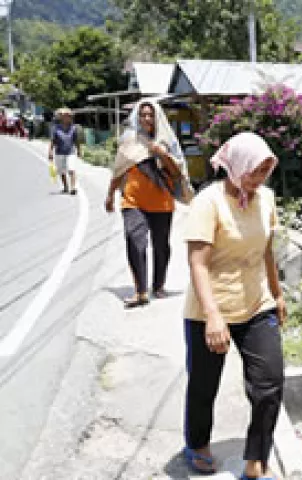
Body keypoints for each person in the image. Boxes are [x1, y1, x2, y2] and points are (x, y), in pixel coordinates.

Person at [182, 132, 286, 480]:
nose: (259, 180)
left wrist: (278, 294)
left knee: (269, 383)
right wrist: (213, 316)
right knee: (203, 385)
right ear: (236, 165)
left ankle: (256, 462)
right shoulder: (208, 202)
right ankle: (197, 444)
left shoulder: (266, 199)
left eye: (265, 172)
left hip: (257, 305)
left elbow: (267, 252)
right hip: (210, 310)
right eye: (255, 171)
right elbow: (197, 263)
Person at [105, 100, 184, 308]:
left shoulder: (166, 141)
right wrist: (110, 194)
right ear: (137, 118)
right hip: (133, 200)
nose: (146, 118)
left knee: (161, 247)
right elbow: (119, 169)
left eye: (150, 115)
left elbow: (177, 173)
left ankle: (158, 285)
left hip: (162, 203)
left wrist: (162, 154)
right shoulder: (129, 141)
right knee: (134, 240)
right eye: (142, 115)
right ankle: (140, 291)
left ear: (157, 117)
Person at [48, 108, 81, 195]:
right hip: (59, 152)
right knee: (62, 171)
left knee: (71, 169)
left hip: (70, 152)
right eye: (66, 116)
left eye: (69, 116)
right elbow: (52, 140)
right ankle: (66, 187)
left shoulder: (73, 128)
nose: (68, 118)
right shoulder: (55, 128)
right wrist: (50, 152)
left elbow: (76, 140)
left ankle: (73, 187)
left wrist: (79, 150)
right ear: (62, 118)